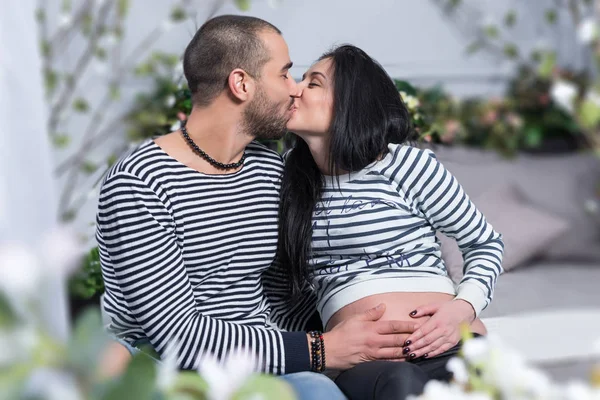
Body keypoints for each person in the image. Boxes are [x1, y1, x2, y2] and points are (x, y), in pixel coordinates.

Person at [96, 17, 419, 400]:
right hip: (165, 366)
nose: (295, 88)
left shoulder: (269, 170)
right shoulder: (139, 181)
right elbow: (177, 336)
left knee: (321, 394)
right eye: (283, 74)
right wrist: (321, 348)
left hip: (261, 361)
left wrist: (384, 328)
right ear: (241, 84)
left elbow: (284, 298)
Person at [278, 44, 505, 399]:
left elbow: (484, 243)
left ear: (351, 103)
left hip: (448, 343)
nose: (295, 88)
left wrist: (463, 307)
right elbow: (275, 291)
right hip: (365, 364)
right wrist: (316, 349)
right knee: (401, 386)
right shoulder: (285, 182)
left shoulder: (408, 166)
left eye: (314, 83)